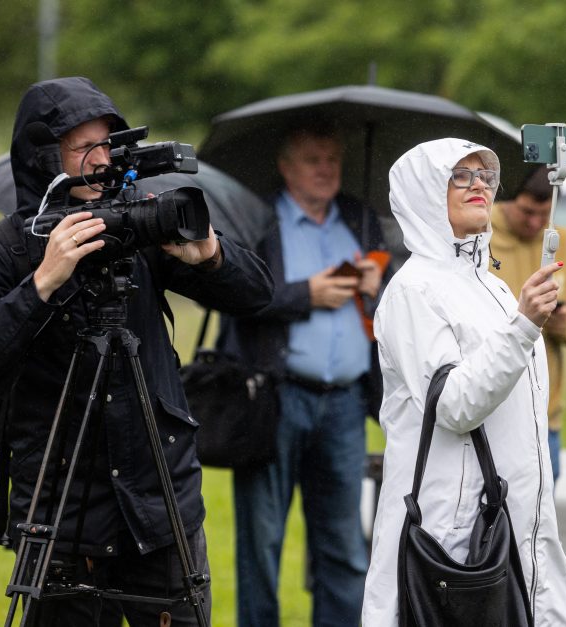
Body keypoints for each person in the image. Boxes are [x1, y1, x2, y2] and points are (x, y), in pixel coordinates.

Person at [0, 77, 274, 626]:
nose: (101, 161)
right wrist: (43, 282)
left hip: (158, 499)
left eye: (107, 145)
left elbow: (257, 295)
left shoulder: (135, 231)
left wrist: (212, 254)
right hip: (63, 507)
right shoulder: (2, 251)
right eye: (83, 148)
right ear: (45, 156)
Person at [362, 138, 566, 626]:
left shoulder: (496, 288)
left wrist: (520, 318)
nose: (478, 184)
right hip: (452, 536)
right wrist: (524, 326)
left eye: (485, 176)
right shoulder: (413, 291)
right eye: (460, 175)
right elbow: (454, 405)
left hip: (518, 526)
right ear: (424, 191)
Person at [219, 122, 388, 627]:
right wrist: (303, 295)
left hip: (346, 403)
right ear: (286, 167)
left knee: (343, 545)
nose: (325, 170)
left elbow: (394, 303)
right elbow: (234, 295)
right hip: (276, 398)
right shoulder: (258, 221)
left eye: (332, 159)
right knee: (263, 540)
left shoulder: (359, 218)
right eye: (313, 160)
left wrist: (381, 285)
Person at [490, 165, 566, 481]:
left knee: (538, 524)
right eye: (526, 211)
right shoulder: (480, 236)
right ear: (506, 199)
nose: (535, 223)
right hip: (490, 411)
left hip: (544, 416)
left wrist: (564, 323)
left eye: (544, 214)